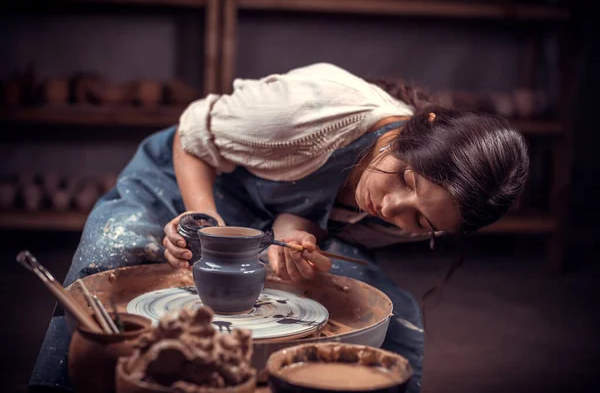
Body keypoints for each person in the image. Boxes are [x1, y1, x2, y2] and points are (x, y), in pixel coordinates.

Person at [29, 63, 529, 393]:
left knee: (398, 322)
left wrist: (300, 241)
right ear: (423, 126)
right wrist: (205, 224)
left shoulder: (429, 215)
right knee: (111, 260)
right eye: (405, 178)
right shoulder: (308, 112)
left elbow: (302, 202)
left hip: (270, 206)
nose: (391, 206)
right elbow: (191, 136)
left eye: (419, 218)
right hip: (192, 174)